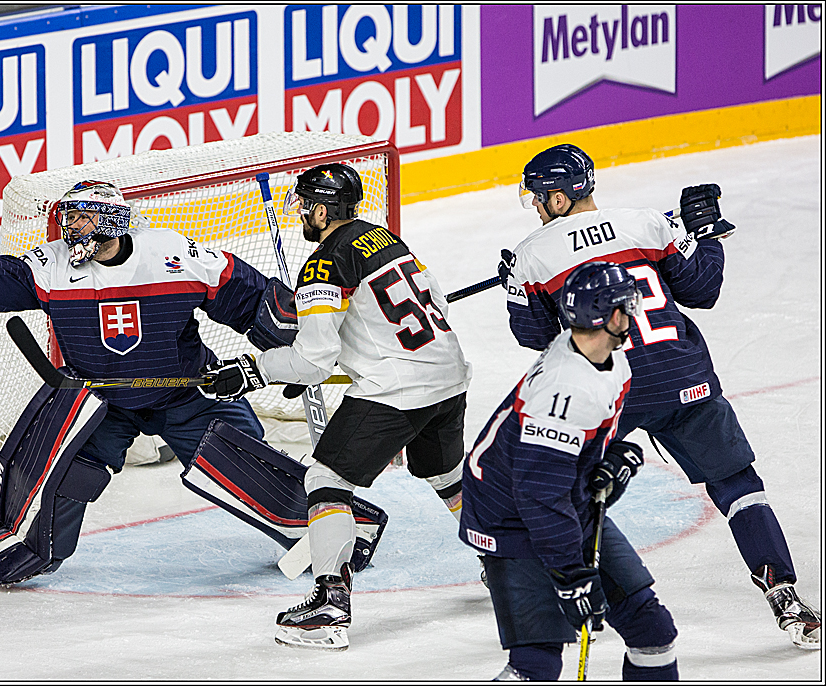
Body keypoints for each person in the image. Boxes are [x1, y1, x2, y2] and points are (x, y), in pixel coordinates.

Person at [0, 180, 306, 583]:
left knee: (248, 467)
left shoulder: (171, 253)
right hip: (101, 401)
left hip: (185, 392)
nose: (74, 227)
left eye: (86, 216)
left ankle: (321, 530)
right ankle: (23, 548)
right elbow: (4, 278)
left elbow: (246, 297)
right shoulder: (53, 264)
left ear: (115, 219)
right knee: (63, 477)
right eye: (70, 217)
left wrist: (294, 349)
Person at [498, 143, 819, 650]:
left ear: (559, 199)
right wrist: (707, 235)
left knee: (559, 490)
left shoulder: (533, 254)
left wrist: (514, 289)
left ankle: (559, 595)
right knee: (737, 485)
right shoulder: (647, 223)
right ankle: (784, 594)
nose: (535, 207)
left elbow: (536, 336)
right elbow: (703, 289)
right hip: (680, 376)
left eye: (538, 198)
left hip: (609, 388)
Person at [200, 163, 473, 650]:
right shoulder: (384, 239)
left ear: (324, 211)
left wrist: (252, 369)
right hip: (448, 376)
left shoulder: (324, 264)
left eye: (306, 204)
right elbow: (437, 306)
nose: (302, 213)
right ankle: (510, 558)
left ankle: (329, 605)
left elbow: (313, 360)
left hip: (397, 390)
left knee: (326, 479)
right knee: (447, 476)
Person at [462, 261, 678, 681]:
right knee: (537, 664)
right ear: (609, 316)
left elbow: (573, 449)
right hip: (511, 517)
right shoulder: (566, 387)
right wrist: (568, 574)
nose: (633, 313)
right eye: (627, 306)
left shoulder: (601, 357)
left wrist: (608, 459)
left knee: (651, 630)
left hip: (558, 504)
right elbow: (538, 493)